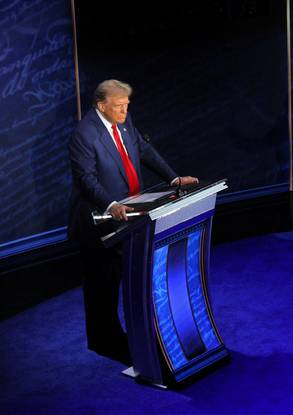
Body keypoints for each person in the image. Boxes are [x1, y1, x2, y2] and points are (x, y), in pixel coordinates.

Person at [68, 79, 198, 364]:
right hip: (98, 221)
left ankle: (127, 337)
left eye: (127, 105)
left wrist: (173, 178)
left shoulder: (125, 121)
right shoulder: (84, 134)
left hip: (130, 217)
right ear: (101, 106)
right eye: (119, 107)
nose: (125, 111)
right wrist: (111, 204)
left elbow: (144, 149)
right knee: (102, 284)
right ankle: (104, 341)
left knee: (125, 275)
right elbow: (86, 178)